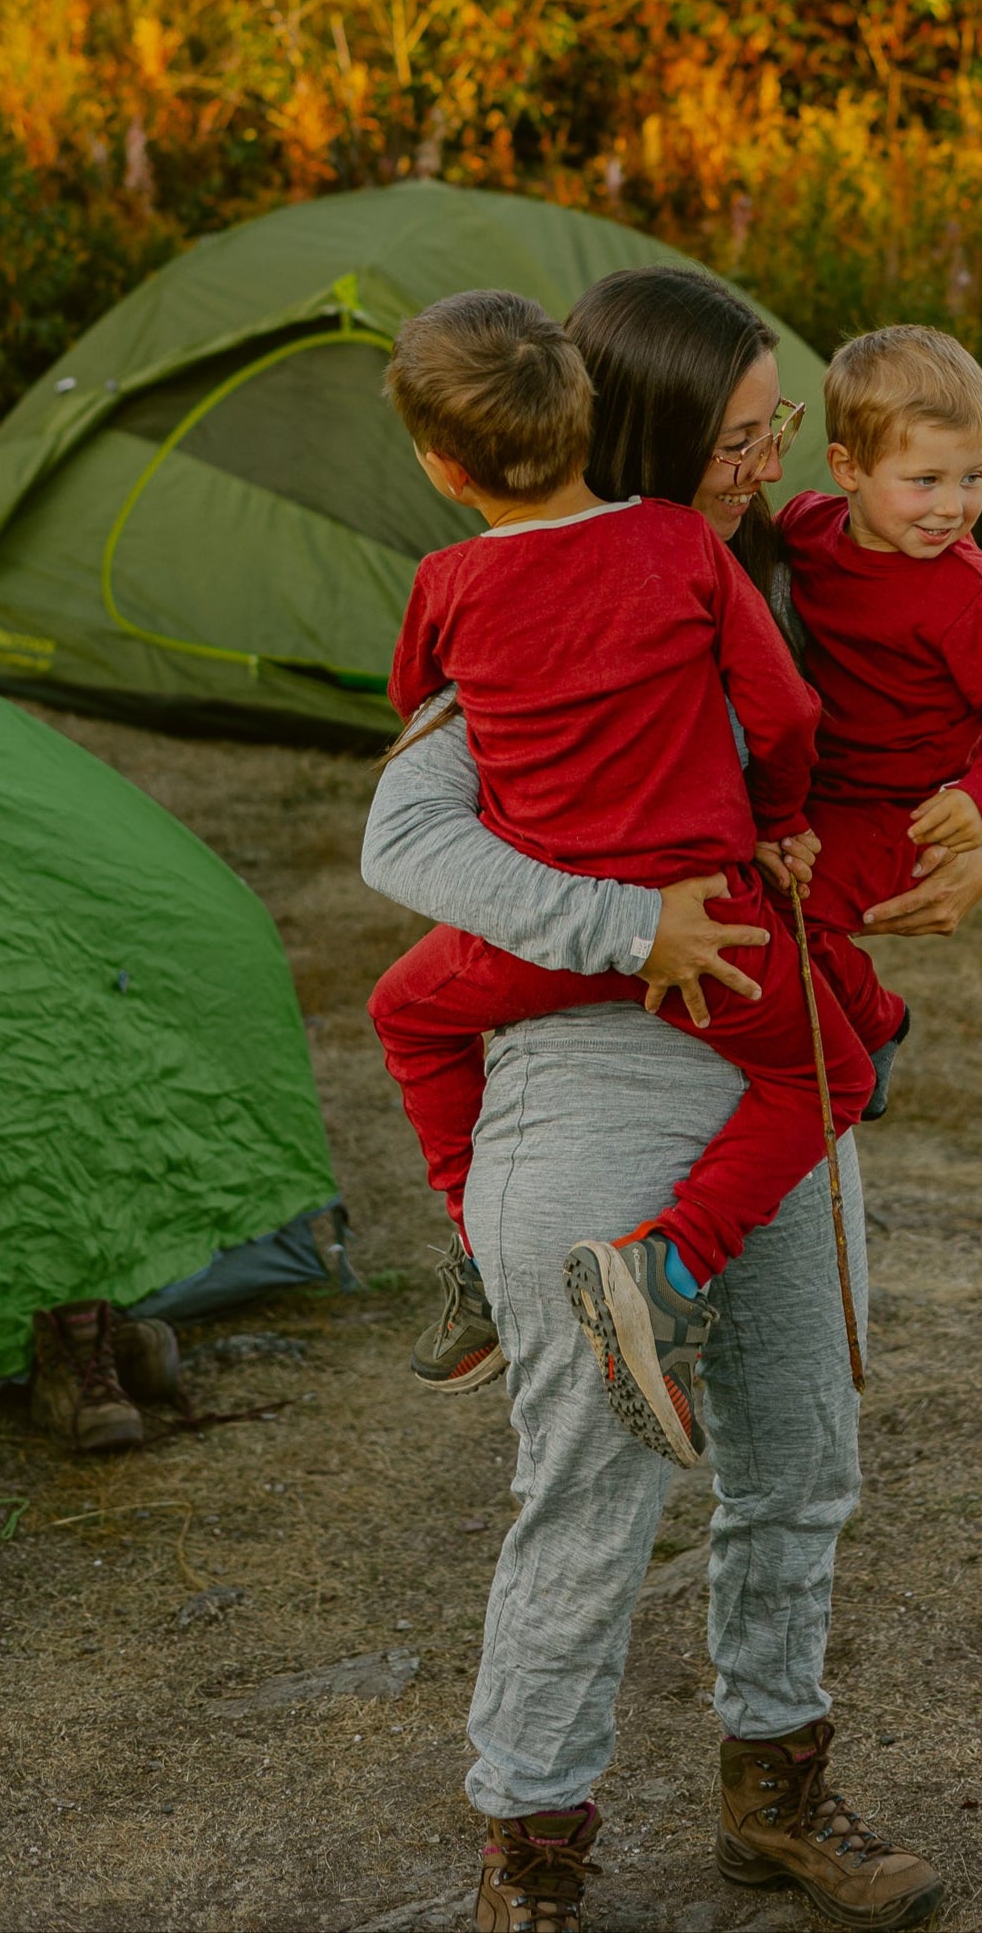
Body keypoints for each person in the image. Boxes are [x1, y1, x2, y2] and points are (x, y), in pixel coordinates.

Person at [362, 266, 982, 1931]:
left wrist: (977, 822)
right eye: (740, 440)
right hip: (597, 1067)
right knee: (591, 1489)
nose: (771, 468)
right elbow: (410, 838)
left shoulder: (779, 577)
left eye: (782, 436)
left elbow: (930, 721)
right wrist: (627, 921)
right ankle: (534, 1855)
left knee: (801, 1456)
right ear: (641, 431)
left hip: (775, 1062)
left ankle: (774, 1796)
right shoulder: (535, 591)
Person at [370, 288, 871, 1467]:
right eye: (740, 439)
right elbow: (788, 715)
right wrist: (774, 816)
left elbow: (414, 700)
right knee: (828, 1076)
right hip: (712, 918)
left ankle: (479, 1261)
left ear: (444, 469)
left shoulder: (446, 583)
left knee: (404, 1014)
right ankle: (669, 1266)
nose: (763, 461)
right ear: (597, 408)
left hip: (533, 950)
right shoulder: (683, 546)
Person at [773, 323, 982, 1118]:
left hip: (904, 812)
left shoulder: (972, 597)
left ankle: (872, 1025)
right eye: (925, 479)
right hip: (825, 791)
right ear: (848, 471)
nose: (953, 507)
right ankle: (845, 1029)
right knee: (761, 897)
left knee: (786, 915)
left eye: (974, 477)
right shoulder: (804, 529)